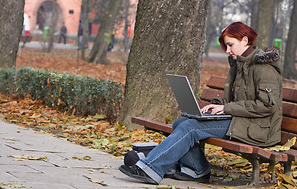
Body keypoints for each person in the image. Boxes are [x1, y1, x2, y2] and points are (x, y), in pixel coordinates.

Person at [119, 22, 283, 185]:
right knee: (181, 123)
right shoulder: (240, 64)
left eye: (230, 45)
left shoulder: (263, 66)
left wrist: (226, 108)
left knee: (191, 127)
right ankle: (197, 170)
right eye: (226, 46)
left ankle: (150, 169)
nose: (227, 50)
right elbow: (237, 99)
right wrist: (216, 106)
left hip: (259, 128)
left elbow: (266, 106)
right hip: (241, 120)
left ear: (245, 41)